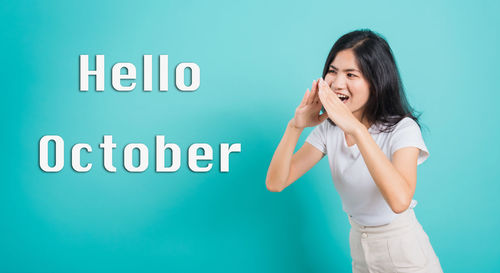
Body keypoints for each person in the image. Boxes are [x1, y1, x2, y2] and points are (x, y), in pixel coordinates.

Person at [265, 29, 443, 273]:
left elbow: (400, 200)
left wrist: (357, 130)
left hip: (405, 255)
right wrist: (294, 126)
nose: (337, 83)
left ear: (376, 81)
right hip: (360, 250)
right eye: (332, 71)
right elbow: (276, 182)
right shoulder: (329, 130)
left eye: (351, 74)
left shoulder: (402, 129)